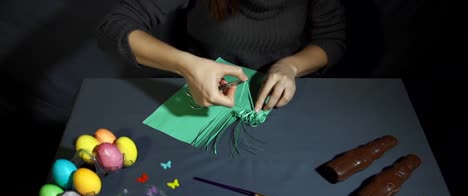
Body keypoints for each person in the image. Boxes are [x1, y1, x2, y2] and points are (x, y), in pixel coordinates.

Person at [96, 0, 346, 112]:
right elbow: (114, 26)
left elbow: (332, 39)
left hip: (281, 101)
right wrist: (186, 64)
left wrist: (290, 67)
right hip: (201, 98)